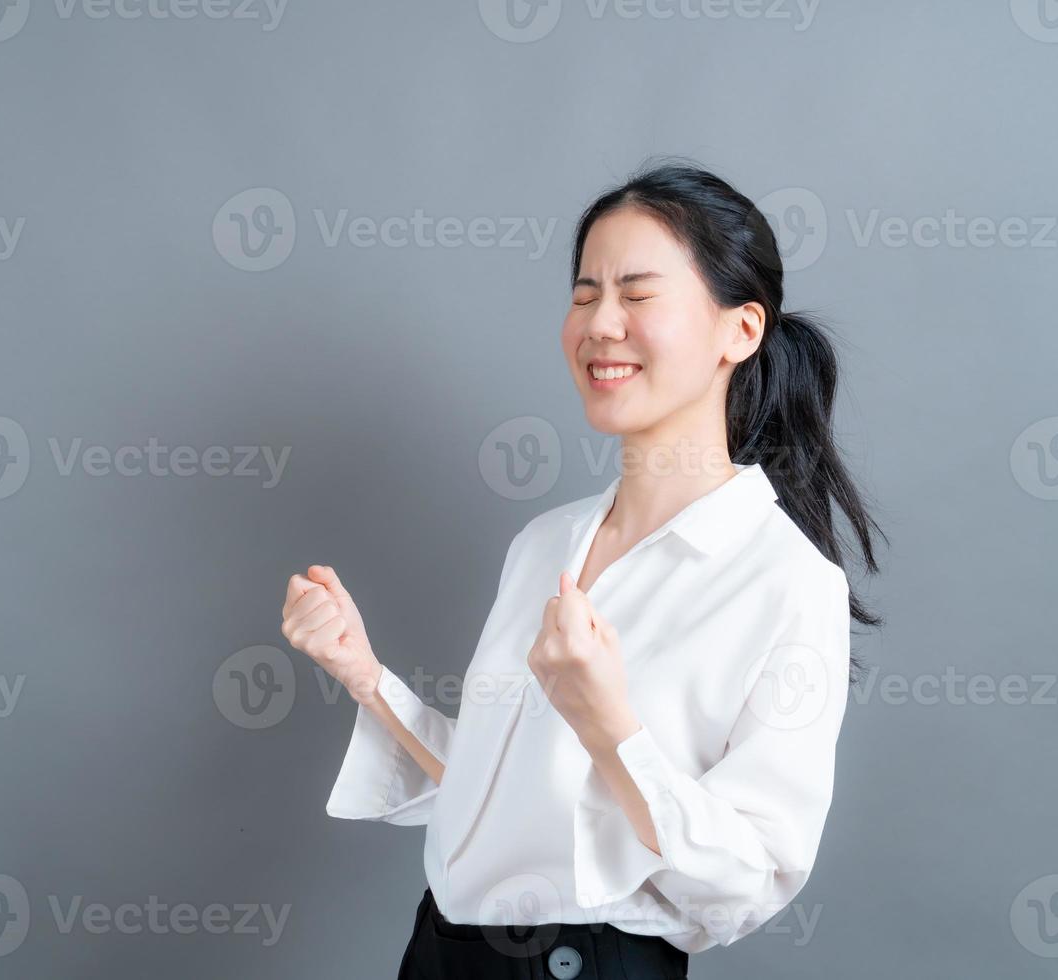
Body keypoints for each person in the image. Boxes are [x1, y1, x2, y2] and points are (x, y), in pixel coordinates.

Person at [279, 160, 885, 979]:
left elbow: (750, 878)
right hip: (442, 954)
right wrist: (363, 674)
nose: (600, 323)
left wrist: (608, 722)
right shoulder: (544, 544)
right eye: (584, 293)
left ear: (740, 330)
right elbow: (503, 794)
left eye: (637, 296)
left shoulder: (785, 580)